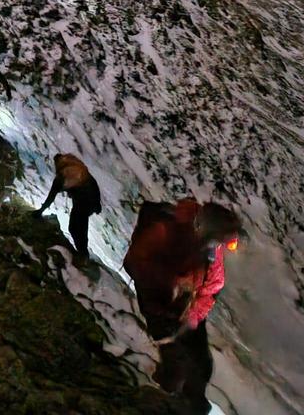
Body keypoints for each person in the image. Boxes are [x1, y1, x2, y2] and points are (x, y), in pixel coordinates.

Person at [123, 198, 242, 415]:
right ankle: (164, 400)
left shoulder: (208, 249)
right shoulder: (163, 233)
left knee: (202, 364)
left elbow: (213, 285)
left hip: (185, 307)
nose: (218, 249)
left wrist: (193, 315)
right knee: (177, 365)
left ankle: (192, 405)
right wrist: (166, 301)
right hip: (160, 307)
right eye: (218, 242)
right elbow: (135, 263)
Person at [33, 153, 101, 256]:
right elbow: (92, 182)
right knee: (80, 227)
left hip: (82, 202)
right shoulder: (77, 166)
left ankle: (83, 255)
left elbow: (51, 196)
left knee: (74, 228)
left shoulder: (61, 177)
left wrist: (40, 211)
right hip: (91, 198)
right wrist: (97, 203)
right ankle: (83, 252)